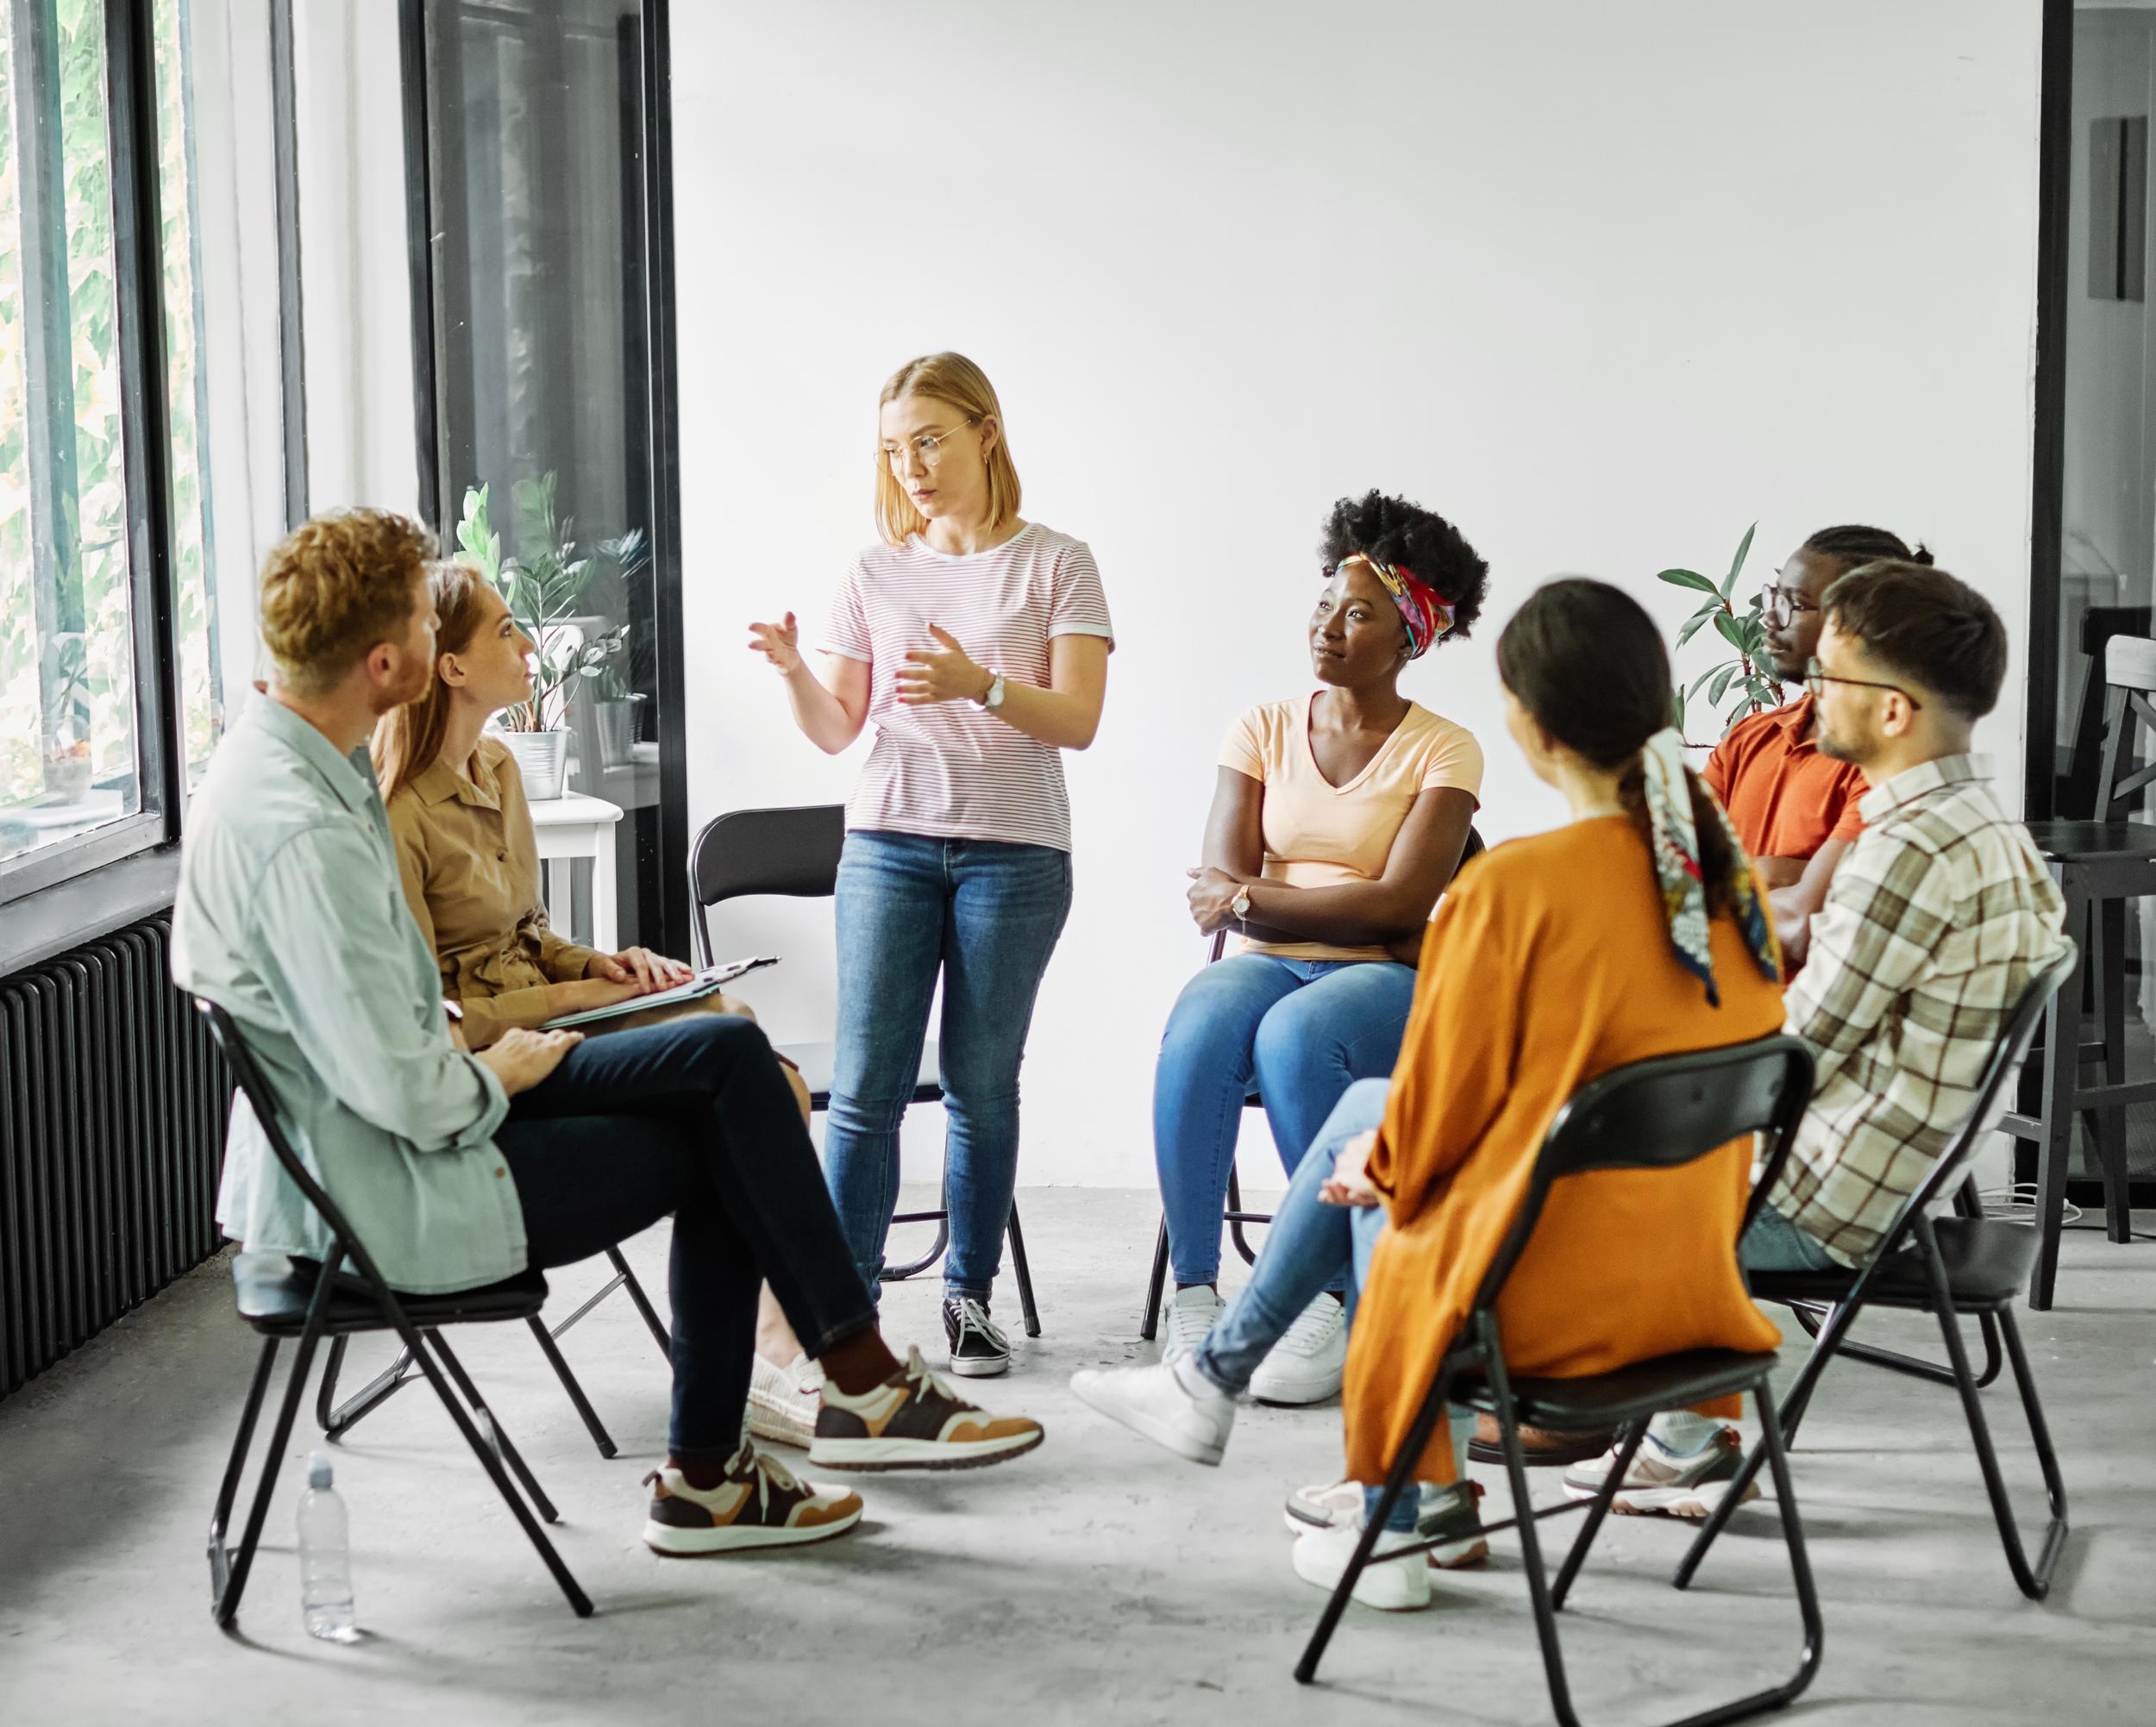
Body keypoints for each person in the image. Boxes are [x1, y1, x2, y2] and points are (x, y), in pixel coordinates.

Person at [175, 510, 1044, 1564]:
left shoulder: (302, 766)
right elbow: (412, 1092)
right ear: (393, 660)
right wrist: (500, 1062)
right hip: (386, 1186)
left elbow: (396, 1018)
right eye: (423, 607)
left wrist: (548, 1004)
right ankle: (777, 1430)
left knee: (731, 1071)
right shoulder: (307, 828)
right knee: (734, 1103)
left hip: (396, 1131)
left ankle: (799, 1416)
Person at [1075, 579, 1787, 1612]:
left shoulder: (1514, 889)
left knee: (1376, 1149)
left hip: (1549, 1316)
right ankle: (1254, 1410)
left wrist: (1379, 1154)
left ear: (1527, 725)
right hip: (1695, 1292)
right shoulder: (1728, 884)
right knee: (1372, 1116)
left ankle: (1393, 1505)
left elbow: (1430, 1125)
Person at [1565, 558, 2069, 1515]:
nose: (1809, 690)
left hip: (1825, 1201)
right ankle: (1683, 1429)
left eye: (1832, 675)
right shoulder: (1979, 827)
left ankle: (1452, 1456)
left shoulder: (1906, 849)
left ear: (1891, 712)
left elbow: (1788, 1058)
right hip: (1886, 1178)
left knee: (1547, 1183)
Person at [372, 560, 823, 1449]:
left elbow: (530, 925)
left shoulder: (501, 767)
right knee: (749, 1062)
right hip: (506, 1048)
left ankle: (778, 1348)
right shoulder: (397, 812)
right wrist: (581, 989)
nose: (527, 642)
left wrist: (610, 962)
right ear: (452, 666)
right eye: (506, 628)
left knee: (740, 1034)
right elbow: (438, 1009)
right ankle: (784, 1348)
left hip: (560, 1004)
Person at [747, 352, 1112, 1378]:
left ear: (984, 432)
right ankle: (844, 1315)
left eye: (929, 439)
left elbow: (1077, 718)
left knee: (979, 1086)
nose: (909, 465)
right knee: (862, 1089)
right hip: (888, 845)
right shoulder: (873, 570)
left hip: (1017, 855)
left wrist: (979, 683)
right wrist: (790, 673)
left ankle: (969, 1300)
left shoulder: (1058, 563)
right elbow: (837, 729)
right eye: (893, 448)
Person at [1150, 491, 1486, 1405]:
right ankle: (1193, 1292)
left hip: (1386, 979)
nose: (1327, 627)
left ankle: (1331, 1295)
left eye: (1358, 613)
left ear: (1409, 636)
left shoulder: (1445, 750)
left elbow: (1405, 904)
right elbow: (1221, 889)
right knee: (1202, 1018)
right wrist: (1305, 907)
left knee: (1295, 1035)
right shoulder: (1258, 727)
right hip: (1273, 962)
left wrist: (1262, 896)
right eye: (1323, 605)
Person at [1704, 524, 1932, 972]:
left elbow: (1805, 927)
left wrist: (1724, 880)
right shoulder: (1749, 738)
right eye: (1775, 596)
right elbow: (1660, 865)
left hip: (1803, 1031)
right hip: (1720, 1004)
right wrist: (1773, 874)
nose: (1769, 617)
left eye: (1797, 605)